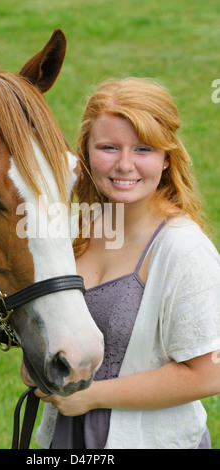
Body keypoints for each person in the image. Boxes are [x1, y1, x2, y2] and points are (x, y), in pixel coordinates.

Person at [21, 77, 220, 449]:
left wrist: (94, 395)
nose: (124, 164)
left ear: (166, 158)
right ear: (86, 152)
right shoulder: (73, 231)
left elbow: (210, 374)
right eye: (109, 147)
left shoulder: (182, 247)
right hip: (63, 440)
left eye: (143, 149)